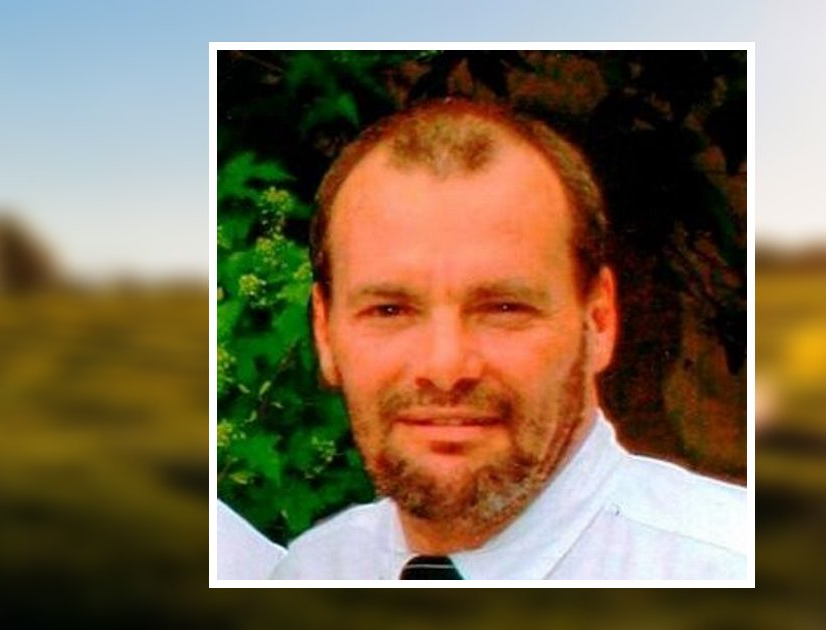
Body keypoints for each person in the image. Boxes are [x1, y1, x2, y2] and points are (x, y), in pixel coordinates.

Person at [271, 99, 747, 580]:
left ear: (599, 321)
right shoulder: (311, 574)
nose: (445, 368)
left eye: (503, 309)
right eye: (390, 310)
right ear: (324, 331)